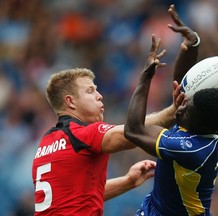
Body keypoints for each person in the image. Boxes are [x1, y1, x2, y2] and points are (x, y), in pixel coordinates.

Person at [31, 4, 200, 215]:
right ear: (70, 102)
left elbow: (77, 195)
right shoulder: (83, 134)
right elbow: (134, 131)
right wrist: (173, 110)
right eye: (90, 91)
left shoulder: (45, 144)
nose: (99, 95)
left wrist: (128, 181)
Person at [124, 10, 218, 216]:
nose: (181, 108)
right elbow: (183, 89)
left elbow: (133, 130)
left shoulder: (191, 150)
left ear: (199, 124)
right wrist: (191, 46)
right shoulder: (210, 124)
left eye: (187, 111)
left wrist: (145, 77)